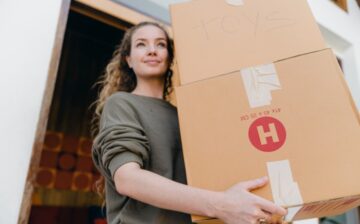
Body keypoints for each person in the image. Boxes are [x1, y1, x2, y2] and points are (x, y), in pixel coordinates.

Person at [92, 21, 287, 224]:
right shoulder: (122, 103)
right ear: (129, 60)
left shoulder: (186, 116)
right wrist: (223, 205)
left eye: (160, 44)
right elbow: (127, 179)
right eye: (141, 44)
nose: (152, 50)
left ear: (170, 58)